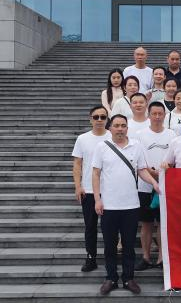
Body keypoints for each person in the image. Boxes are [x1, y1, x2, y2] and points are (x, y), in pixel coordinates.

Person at [92, 114, 160, 295]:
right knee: (110, 245)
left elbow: (142, 170)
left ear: (127, 128)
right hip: (109, 206)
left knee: (129, 245)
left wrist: (153, 183)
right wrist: (97, 199)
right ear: (110, 128)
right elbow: (96, 173)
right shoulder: (102, 147)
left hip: (130, 205)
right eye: (116, 125)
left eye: (123, 125)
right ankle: (111, 278)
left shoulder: (136, 146)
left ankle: (129, 278)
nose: (120, 129)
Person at [134, 102, 176, 271]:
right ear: (149, 115)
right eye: (154, 114)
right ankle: (145, 256)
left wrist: (165, 171)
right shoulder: (139, 135)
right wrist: (150, 172)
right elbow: (136, 158)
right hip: (145, 185)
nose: (157, 117)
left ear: (165, 115)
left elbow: (175, 158)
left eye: (160, 114)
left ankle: (161, 258)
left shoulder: (172, 134)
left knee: (162, 223)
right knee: (146, 223)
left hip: (166, 185)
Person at [72, 106, 112, 272]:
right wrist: (78, 186)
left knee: (110, 227)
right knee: (90, 226)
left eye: (103, 117)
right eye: (96, 117)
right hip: (88, 190)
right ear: (90, 119)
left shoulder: (113, 136)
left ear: (107, 119)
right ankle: (91, 258)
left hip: (110, 190)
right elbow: (77, 164)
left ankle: (111, 257)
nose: (99, 120)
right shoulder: (82, 139)